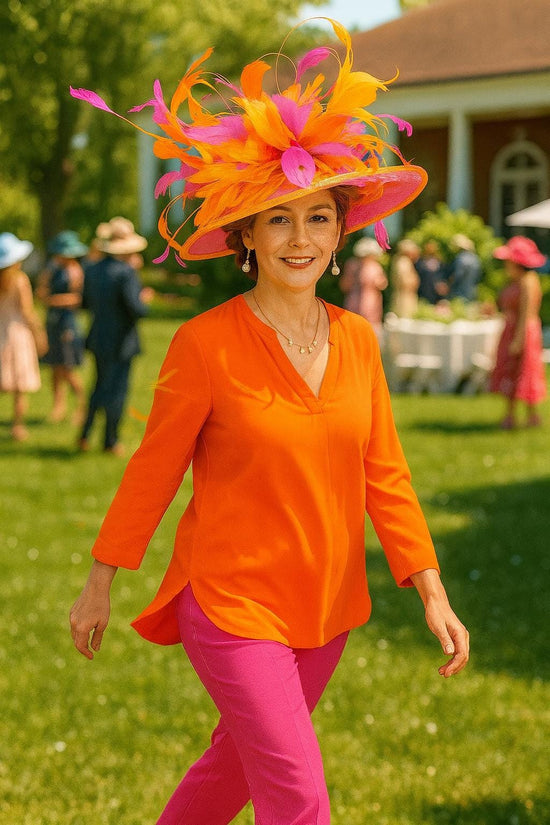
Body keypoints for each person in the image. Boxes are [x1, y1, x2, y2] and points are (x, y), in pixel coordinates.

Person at [69, 20, 469, 825]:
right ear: (246, 236)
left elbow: (384, 474)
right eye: (278, 219)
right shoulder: (204, 344)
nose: (300, 237)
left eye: (318, 217)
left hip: (326, 606)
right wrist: (102, 577)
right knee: (299, 798)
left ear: (340, 232)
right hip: (230, 603)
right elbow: (154, 468)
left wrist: (431, 589)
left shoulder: (359, 340)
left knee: (233, 772)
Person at [78, 217, 153, 455]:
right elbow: (137, 309)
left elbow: (84, 303)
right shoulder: (126, 274)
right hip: (121, 341)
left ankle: (84, 435)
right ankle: (110, 441)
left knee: (98, 387)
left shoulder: (91, 269)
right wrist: (144, 298)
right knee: (117, 391)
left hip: (98, 336)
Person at [489, 236, 547, 428]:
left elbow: (527, 314)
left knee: (522, 370)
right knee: (512, 371)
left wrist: (519, 339)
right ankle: (521, 416)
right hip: (513, 329)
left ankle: (520, 416)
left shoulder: (528, 282)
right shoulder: (517, 280)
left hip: (522, 331)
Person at [37, 230, 88, 423]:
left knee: (67, 368)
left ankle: (82, 405)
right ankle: (58, 406)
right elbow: (41, 291)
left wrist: (53, 300)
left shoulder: (75, 271)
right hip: (53, 321)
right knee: (54, 367)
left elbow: (77, 299)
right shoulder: (52, 268)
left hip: (68, 322)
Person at [0, 232, 46, 441]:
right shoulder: (20, 280)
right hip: (17, 334)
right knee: (19, 386)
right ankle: (17, 427)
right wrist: (39, 333)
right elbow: (27, 311)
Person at [340, 236, 388, 340]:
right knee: (369, 326)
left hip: (353, 297)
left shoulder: (351, 264)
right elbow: (382, 284)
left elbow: (344, 285)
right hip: (370, 299)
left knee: (352, 324)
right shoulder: (374, 266)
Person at [389, 238, 421, 317]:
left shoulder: (403, 261)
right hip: (404, 294)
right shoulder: (403, 262)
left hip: (407, 293)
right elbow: (404, 280)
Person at [447, 233, 482, 302]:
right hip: (472, 293)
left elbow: (457, 276)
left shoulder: (461, 258)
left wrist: (449, 285)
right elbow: (478, 277)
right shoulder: (475, 259)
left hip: (460, 293)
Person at [416, 239, 448, 304]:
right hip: (424, 289)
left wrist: (442, 284)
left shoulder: (439, 261)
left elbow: (443, 274)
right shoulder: (420, 261)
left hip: (437, 291)